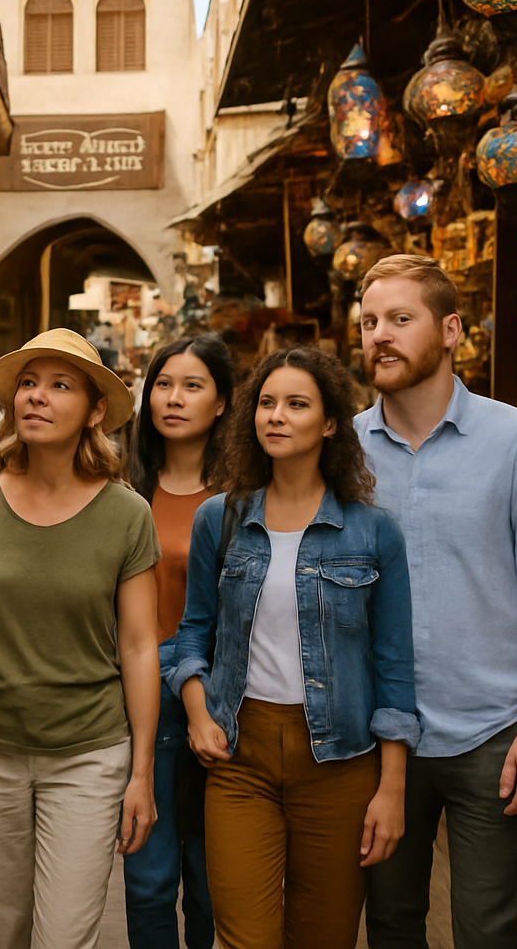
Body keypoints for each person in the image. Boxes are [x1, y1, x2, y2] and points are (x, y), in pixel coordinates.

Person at [0, 328, 162, 949]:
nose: (37, 397)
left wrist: (142, 772)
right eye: (28, 383)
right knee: (0, 931)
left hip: (89, 752)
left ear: (95, 411)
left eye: (59, 385)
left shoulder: (127, 514)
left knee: (64, 935)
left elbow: (138, 646)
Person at [356, 255, 517, 949]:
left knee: (489, 930)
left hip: (494, 734)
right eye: (369, 322)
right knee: (391, 926)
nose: (380, 336)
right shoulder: (344, 450)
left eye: (401, 319)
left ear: (453, 329)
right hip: (378, 735)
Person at [169, 345, 420, 949]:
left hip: (340, 765)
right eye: (266, 403)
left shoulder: (373, 530)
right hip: (239, 759)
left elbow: (394, 667)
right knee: (245, 937)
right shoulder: (219, 518)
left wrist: (391, 789)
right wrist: (200, 715)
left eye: (296, 404)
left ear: (330, 422)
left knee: (324, 936)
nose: (275, 416)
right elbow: (192, 635)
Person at [122, 334, 234, 949]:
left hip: (220, 702)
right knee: (149, 876)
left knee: (215, 879)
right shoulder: (120, 484)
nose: (173, 398)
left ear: (222, 403)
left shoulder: (246, 494)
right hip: (139, 704)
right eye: (163, 384)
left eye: (193, 386)